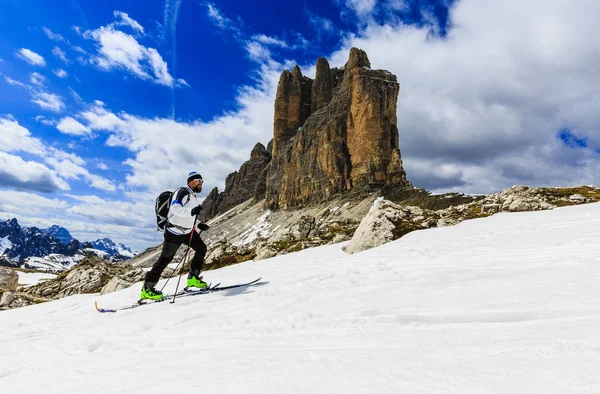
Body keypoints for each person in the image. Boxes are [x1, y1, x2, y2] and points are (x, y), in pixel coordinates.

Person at [141, 171, 211, 300]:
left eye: (201, 181)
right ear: (190, 182)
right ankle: (147, 288)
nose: (201, 184)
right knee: (165, 259)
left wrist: (199, 224)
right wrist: (192, 211)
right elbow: (175, 209)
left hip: (188, 231)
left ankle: (193, 278)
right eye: (198, 181)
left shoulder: (192, 195)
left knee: (201, 249)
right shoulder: (182, 192)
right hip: (174, 232)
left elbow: (189, 216)